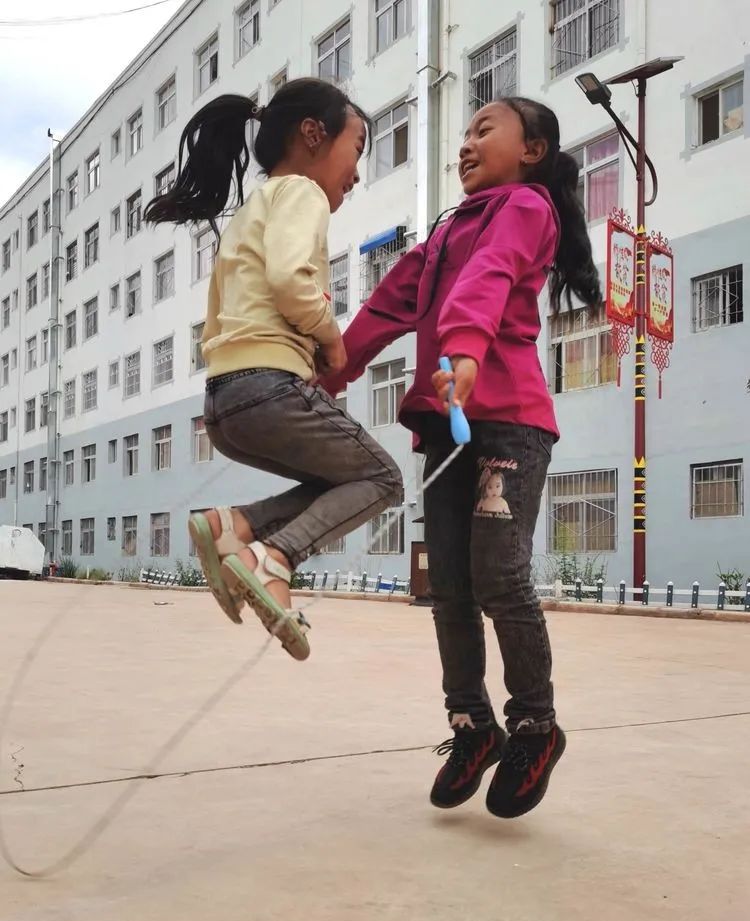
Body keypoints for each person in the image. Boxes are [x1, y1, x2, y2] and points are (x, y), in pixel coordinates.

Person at [322, 97, 601, 818]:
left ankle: (535, 726)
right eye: (465, 135)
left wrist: (467, 353)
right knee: (447, 585)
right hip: (449, 429)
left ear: (532, 150)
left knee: (498, 576)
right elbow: (388, 305)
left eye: (484, 130)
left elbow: (491, 277)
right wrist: (329, 371)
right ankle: (473, 725)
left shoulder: (525, 207)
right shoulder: (446, 230)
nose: (466, 145)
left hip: (508, 423)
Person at [145, 79, 403, 661]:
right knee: (383, 479)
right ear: (313, 135)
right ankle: (275, 558)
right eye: (357, 148)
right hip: (267, 388)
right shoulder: (302, 192)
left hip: (224, 403)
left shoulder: (249, 212)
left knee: (338, 482)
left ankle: (232, 527)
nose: (357, 172)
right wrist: (331, 339)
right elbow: (291, 280)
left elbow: (233, 308)